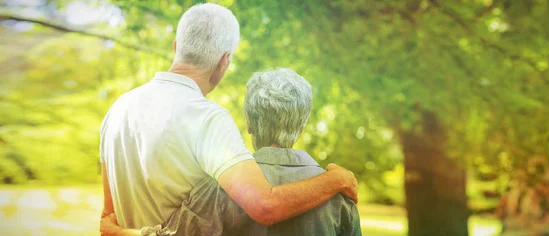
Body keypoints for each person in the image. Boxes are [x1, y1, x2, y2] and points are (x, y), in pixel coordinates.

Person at [99, 3, 358, 234]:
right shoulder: (206, 117)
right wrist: (336, 180)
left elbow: (107, 219)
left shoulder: (117, 110)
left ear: (176, 46)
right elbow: (266, 206)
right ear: (224, 61)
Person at [101, 68, 362, 236]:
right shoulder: (340, 197)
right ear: (302, 124)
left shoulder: (218, 188)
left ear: (248, 122)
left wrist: (119, 232)